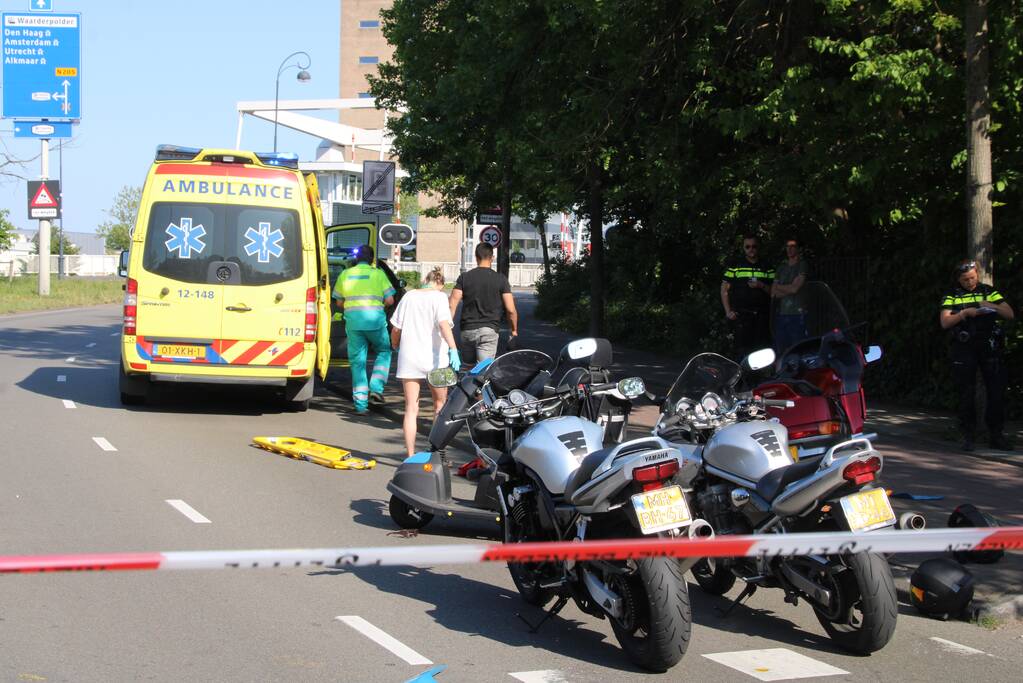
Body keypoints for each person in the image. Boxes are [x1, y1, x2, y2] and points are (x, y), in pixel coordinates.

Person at [939, 260, 1015, 451]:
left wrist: (991, 305)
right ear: (958, 279)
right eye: (965, 279)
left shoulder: (988, 291)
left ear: (978, 275)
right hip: (964, 347)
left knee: (996, 392)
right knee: (966, 392)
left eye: (973, 278)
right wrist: (965, 313)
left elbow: (1009, 314)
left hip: (989, 346)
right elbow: (945, 322)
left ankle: (996, 435)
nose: (970, 282)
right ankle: (968, 436)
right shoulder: (952, 295)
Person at [390, 267, 461, 457]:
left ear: (425, 280)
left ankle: (410, 455)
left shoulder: (409, 296)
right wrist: (453, 348)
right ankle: (435, 453)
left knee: (411, 408)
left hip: (410, 358)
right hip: (435, 360)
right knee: (440, 406)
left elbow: (396, 329)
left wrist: (395, 345)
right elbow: (444, 325)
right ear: (441, 284)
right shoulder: (439, 297)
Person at [332, 245, 395, 414]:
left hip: (354, 324)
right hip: (375, 322)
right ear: (372, 259)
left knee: (358, 362)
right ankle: (376, 388)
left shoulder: (345, 274)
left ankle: (360, 405)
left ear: (356, 258)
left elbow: (338, 303)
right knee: (384, 351)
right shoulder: (378, 274)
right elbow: (390, 300)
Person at [449, 242, 518, 365]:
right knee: (483, 371)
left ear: (476, 257)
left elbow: (452, 304)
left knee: (468, 370)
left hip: (467, 330)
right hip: (489, 331)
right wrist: (513, 331)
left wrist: (447, 329)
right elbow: (511, 309)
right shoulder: (501, 279)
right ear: (492, 258)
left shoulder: (464, 277)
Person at [720, 234, 774, 358]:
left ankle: (760, 376)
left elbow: (774, 292)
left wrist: (761, 285)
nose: (751, 249)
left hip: (762, 315)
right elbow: (724, 288)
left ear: (758, 247)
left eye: (753, 246)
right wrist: (728, 311)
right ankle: (742, 376)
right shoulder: (736, 265)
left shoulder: (767, 266)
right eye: (747, 247)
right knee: (742, 351)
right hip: (742, 316)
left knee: (761, 350)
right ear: (744, 248)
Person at [771, 236, 809, 353]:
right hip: (782, 314)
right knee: (781, 349)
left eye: (793, 246)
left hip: (798, 314)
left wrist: (780, 288)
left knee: (798, 349)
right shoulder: (781, 268)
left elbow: (795, 289)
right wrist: (788, 288)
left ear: (798, 248)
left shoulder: (802, 265)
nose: (789, 249)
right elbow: (773, 293)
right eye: (788, 246)